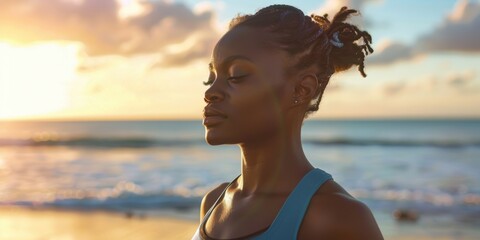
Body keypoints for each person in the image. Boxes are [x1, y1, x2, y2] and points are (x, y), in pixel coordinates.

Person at [192, 4, 383, 240]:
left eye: (236, 75)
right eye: (212, 77)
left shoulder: (337, 217)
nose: (211, 91)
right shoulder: (213, 203)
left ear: (302, 89)